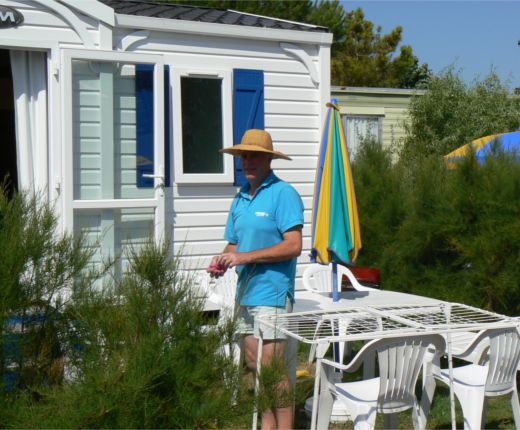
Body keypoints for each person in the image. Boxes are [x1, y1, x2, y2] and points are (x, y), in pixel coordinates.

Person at [207, 129, 304, 430]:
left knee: (272, 371)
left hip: (272, 292)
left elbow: (294, 245)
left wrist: (245, 257)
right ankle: (267, 426)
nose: (247, 161)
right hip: (245, 293)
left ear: (268, 160)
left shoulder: (283, 193)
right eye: (244, 156)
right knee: (255, 366)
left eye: (254, 156)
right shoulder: (240, 198)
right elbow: (234, 244)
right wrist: (222, 260)